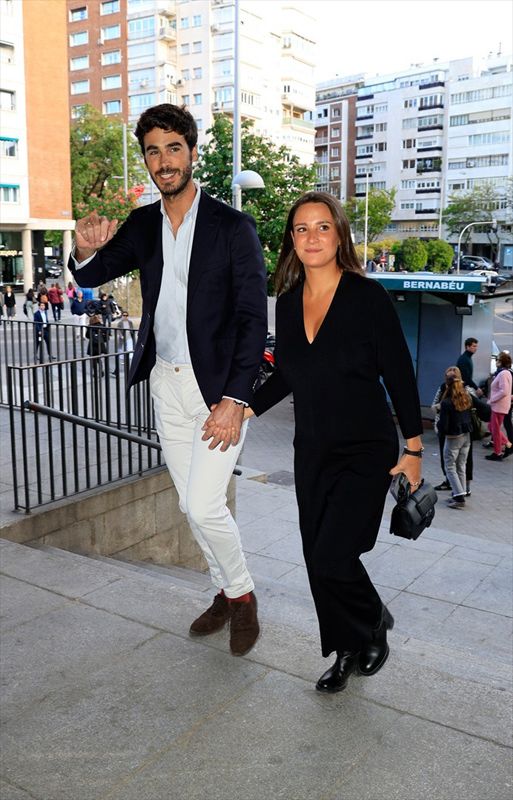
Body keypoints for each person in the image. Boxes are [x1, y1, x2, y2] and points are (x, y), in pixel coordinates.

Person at [69, 103, 267, 657]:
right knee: (189, 505)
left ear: (192, 153)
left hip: (217, 392)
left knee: (205, 505)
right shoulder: (142, 225)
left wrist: (236, 399)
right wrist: (84, 247)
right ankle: (223, 591)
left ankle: (244, 596)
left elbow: (255, 319)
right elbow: (91, 274)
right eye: (153, 151)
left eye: (173, 148)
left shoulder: (233, 226)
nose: (163, 161)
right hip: (166, 383)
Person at [204, 191, 423, 692]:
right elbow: (288, 373)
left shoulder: (368, 298)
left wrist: (412, 450)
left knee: (333, 555)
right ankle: (347, 649)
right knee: (316, 556)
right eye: (301, 228)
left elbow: (400, 375)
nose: (311, 236)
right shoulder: (287, 302)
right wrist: (241, 406)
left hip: (366, 449)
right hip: (313, 451)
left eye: (322, 226)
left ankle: (372, 622)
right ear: (291, 241)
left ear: (340, 234)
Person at [438, 373, 472, 509]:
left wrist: (438, 424)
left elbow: (444, 425)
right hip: (466, 435)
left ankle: (458, 496)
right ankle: (460, 492)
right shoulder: (466, 397)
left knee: (450, 466)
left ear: (447, 385)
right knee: (461, 465)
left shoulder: (446, 402)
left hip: (453, 437)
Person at [485, 351, 513, 461]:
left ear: (501, 362)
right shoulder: (504, 373)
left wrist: (492, 399)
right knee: (492, 427)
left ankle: (499, 451)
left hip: (499, 406)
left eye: (498, 360)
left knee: (494, 429)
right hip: (500, 405)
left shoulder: (503, 373)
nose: (496, 361)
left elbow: (504, 391)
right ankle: (505, 446)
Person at [112, 310, 136, 376]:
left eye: (126, 315)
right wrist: (121, 336)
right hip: (122, 339)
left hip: (129, 338)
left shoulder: (130, 322)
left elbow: (132, 330)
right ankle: (118, 368)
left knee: (129, 352)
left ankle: (129, 366)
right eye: (124, 315)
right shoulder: (120, 323)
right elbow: (118, 330)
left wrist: (133, 337)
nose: (125, 317)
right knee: (121, 352)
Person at [85, 313, 108, 377]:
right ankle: (101, 371)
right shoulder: (102, 326)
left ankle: (95, 372)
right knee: (98, 359)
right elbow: (106, 335)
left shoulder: (90, 327)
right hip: (100, 344)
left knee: (93, 359)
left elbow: (87, 336)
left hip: (92, 345)